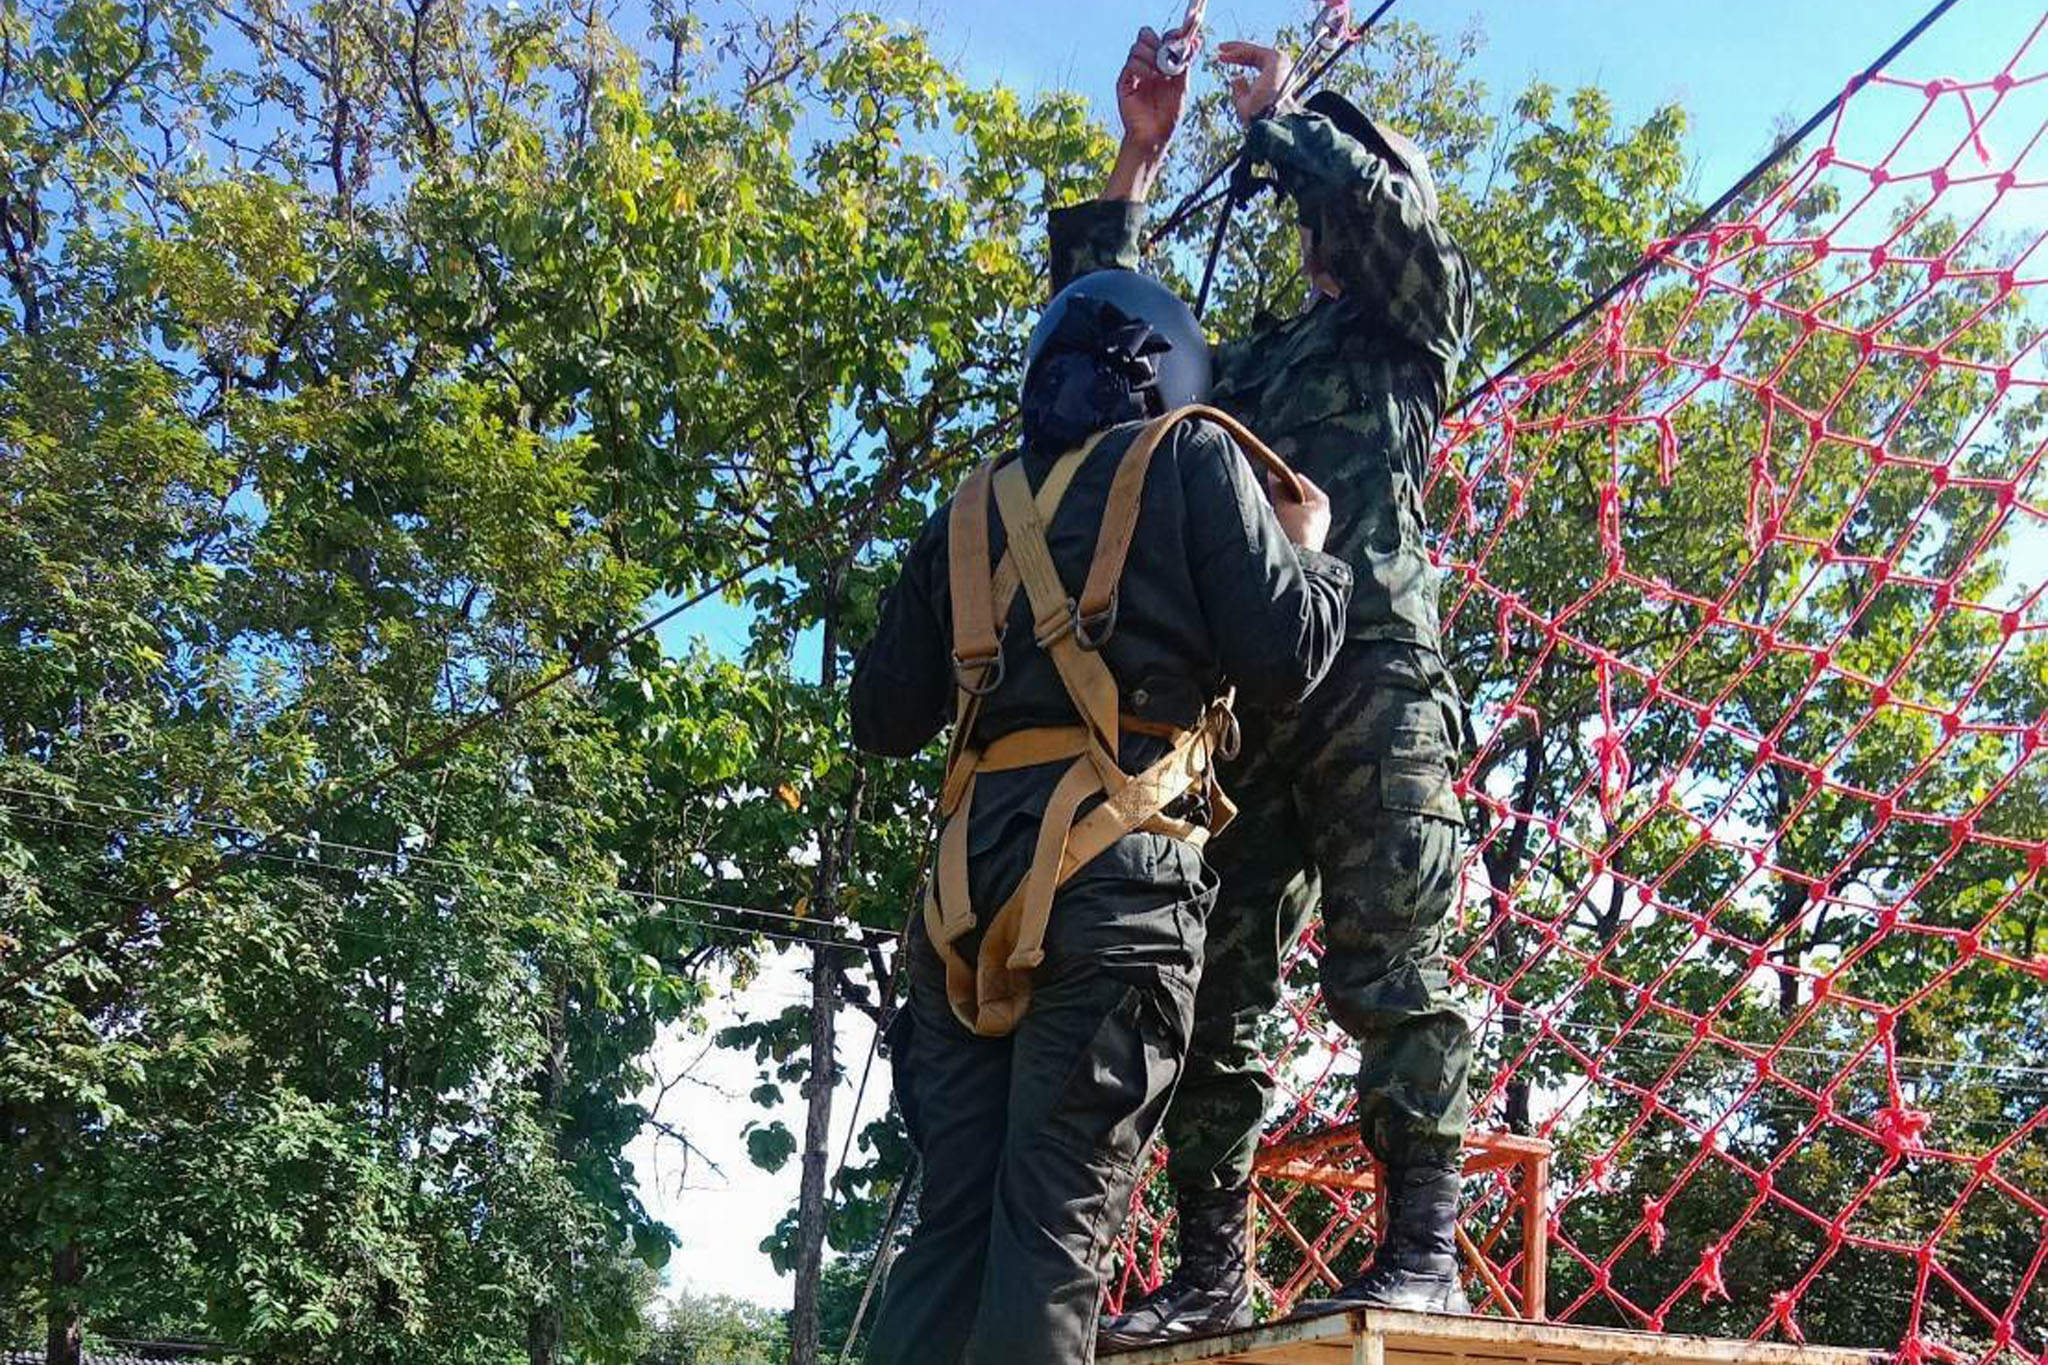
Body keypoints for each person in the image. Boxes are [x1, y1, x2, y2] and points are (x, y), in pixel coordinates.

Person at [1059, 27, 1480, 1342]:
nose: (1314, 202)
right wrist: (1137, 157)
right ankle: (1208, 1278)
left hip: (1375, 681)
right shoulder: (1250, 372)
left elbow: (1389, 216)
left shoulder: (1415, 322)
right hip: (1245, 710)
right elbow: (1104, 369)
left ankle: (1422, 1252)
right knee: (1211, 999)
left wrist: (1289, 116)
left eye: (1329, 177)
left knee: (1392, 963)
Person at [851, 265, 1353, 1365]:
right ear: (1170, 378)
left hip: (957, 899)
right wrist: (1307, 555)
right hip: (1115, 884)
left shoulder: (969, 510)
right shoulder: (1193, 455)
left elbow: (882, 716)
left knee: (952, 1227)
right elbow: (1283, 658)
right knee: (1051, 1228)